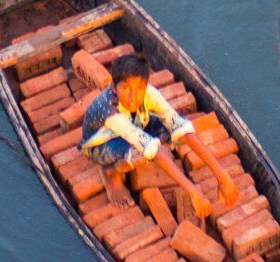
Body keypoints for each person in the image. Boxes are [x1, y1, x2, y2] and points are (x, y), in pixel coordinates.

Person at [80, 53, 237, 225]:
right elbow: (151, 150)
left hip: (134, 125)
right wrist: (194, 193)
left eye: (139, 89)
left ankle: (135, 156)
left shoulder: (150, 94)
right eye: (126, 88)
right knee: (142, 152)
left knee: (178, 127)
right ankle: (110, 173)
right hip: (102, 143)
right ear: (114, 86)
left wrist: (223, 177)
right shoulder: (111, 111)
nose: (133, 97)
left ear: (146, 86)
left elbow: (180, 128)